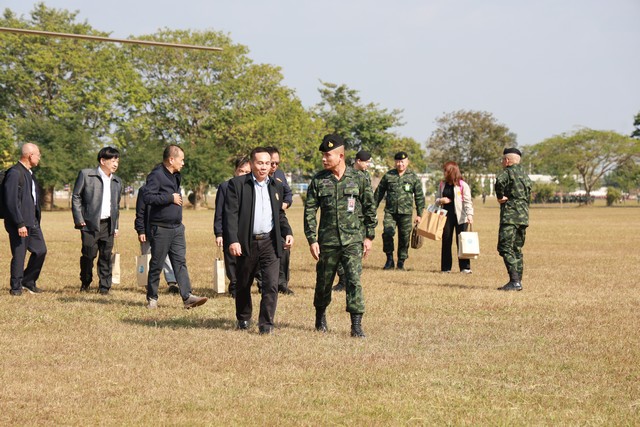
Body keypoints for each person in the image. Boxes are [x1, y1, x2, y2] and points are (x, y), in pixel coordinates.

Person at [304, 134, 377, 338]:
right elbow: (309, 211)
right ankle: (320, 316)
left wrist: (369, 237)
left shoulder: (359, 178)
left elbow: (370, 208)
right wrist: (312, 239)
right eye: (323, 155)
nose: (324, 159)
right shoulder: (319, 180)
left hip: (353, 240)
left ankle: (356, 325)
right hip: (327, 241)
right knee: (324, 281)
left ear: (341, 156)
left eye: (328, 155)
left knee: (353, 280)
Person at [224, 147, 294, 334]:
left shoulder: (276, 186)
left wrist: (287, 231)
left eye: (267, 163)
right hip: (247, 242)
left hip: (270, 242)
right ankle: (244, 317)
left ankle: (266, 324)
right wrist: (233, 240)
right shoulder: (237, 185)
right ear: (252, 164)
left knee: (270, 284)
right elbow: (230, 215)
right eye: (260, 163)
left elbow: (279, 214)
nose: (264, 167)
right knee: (244, 283)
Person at [143, 145, 208, 309]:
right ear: (171, 159)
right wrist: (169, 198)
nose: (183, 163)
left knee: (180, 262)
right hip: (161, 228)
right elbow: (147, 196)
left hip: (177, 228)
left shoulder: (176, 175)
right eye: (182, 159)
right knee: (157, 264)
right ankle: (152, 298)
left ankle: (187, 297)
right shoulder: (156, 175)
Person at [72, 147, 122, 295]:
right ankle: (85, 281)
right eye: (113, 161)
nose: (115, 164)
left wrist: (116, 226)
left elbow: (116, 206)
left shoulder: (117, 181)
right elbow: (76, 197)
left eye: (117, 161)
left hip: (108, 225)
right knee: (89, 255)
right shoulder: (86, 175)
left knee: (106, 255)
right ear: (102, 161)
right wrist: (79, 219)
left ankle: (105, 287)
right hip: (89, 224)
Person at [2, 143, 47, 296]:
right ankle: (16, 288)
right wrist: (19, 223)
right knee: (19, 254)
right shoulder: (15, 173)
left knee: (41, 251)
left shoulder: (29, 173)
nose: (39, 157)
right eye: (38, 154)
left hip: (32, 222)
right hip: (19, 223)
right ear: (30, 155)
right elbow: (10, 201)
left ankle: (28, 281)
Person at [374, 151, 425, 270]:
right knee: (387, 234)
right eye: (397, 161)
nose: (400, 164)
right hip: (390, 212)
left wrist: (419, 214)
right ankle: (389, 259)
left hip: (406, 213)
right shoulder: (388, 176)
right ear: (395, 162)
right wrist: (373, 209)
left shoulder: (413, 177)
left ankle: (401, 262)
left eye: (402, 161)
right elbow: (378, 193)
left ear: (407, 162)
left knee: (404, 237)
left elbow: (419, 197)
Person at [334, 149, 372, 292]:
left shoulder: (366, 176)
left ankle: (352, 280)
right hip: (347, 218)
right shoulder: (347, 174)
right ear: (358, 161)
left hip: (361, 220)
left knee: (356, 251)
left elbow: (369, 201)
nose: (368, 165)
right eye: (366, 162)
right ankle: (343, 279)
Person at [495, 148, 532, 291]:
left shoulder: (508, 172)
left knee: (505, 247)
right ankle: (518, 281)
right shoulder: (525, 175)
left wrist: (500, 197)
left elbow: (499, 182)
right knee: (517, 248)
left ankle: (514, 281)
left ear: (507, 160)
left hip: (510, 216)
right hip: (523, 216)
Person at [214, 156, 251, 298]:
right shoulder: (225, 187)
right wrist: (219, 233)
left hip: (247, 230)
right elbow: (219, 211)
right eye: (241, 171)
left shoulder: (252, 187)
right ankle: (234, 286)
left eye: (247, 171)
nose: (244, 174)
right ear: (235, 171)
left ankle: (243, 285)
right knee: (231, 261)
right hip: (229, 230)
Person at [135, 185, 178, 294]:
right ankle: (148, 284)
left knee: (167, 256)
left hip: (165, 230)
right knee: (146, 256)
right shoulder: (144, 190)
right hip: (148, 230)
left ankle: (172, 283)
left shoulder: (170, 189)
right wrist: (141, 230)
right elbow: (140, 212)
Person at [265, 146, 294, 295]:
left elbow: (288, 193)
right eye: (272, 163)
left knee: (284, 247)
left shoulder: (279, 175)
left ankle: (282, 284)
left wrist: (285, 203)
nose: (274, 166)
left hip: (278, 217)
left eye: (277, 163)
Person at [435, 161, 474, 273]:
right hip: (446, 217)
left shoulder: (462, 185)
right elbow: (436, 199)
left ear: (452, 171)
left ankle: (465, 267)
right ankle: (446, 268)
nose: (444, 173)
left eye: (446, 171)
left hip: (461, 217)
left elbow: (467, 202)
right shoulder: (442, 185)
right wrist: (441, 200)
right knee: (446, 241)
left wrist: (470, 215)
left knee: (462, 242)